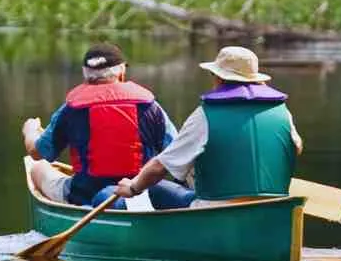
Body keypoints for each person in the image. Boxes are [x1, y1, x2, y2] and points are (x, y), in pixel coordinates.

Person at [114, 46, 303, 207]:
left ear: (218, 78)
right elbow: (296, 147)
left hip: (216, 209)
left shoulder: (205, 115)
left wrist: (133, 188)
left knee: (156, 188)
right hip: (272, 206)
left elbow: (159, 167)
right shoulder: (281, 111)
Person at [22, 44, 194, 210]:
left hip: (84, 194)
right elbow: (177, 152)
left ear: (86, 75)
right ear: (121, 72)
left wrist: (30, 130)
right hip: (142, 192)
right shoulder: (150, 106)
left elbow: (37, 153)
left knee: (38, 168)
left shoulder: (70, 109)